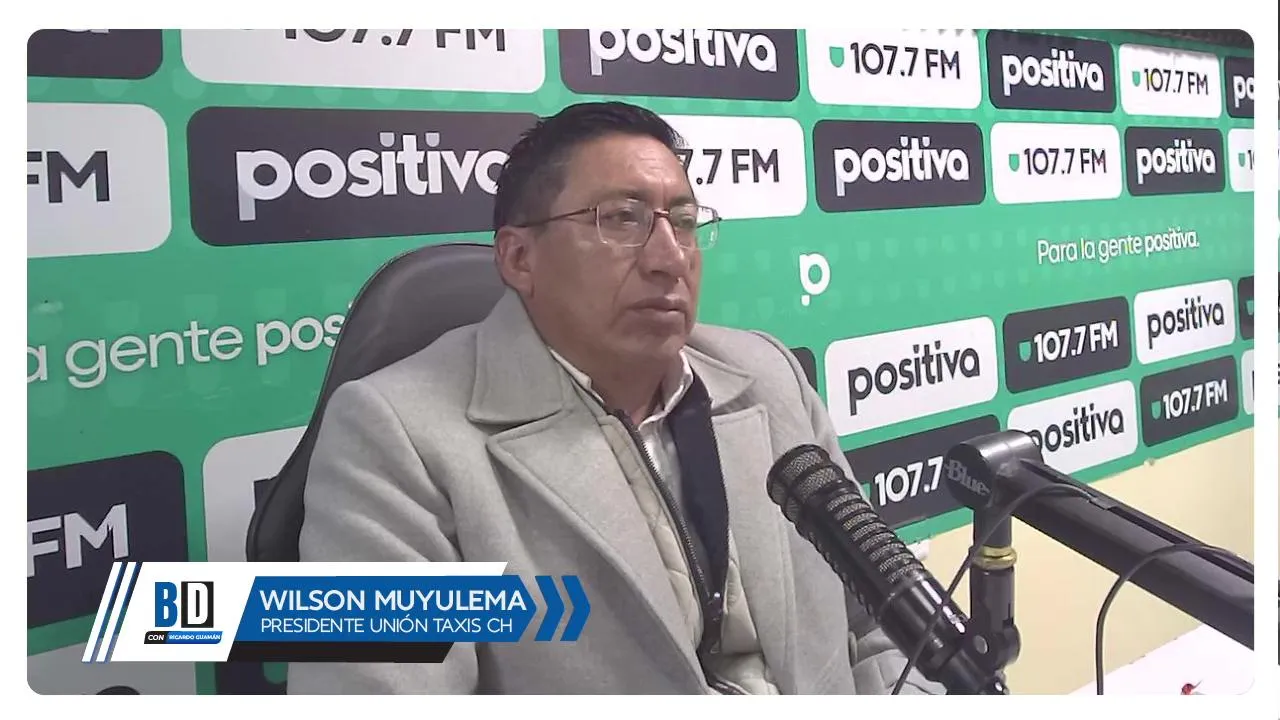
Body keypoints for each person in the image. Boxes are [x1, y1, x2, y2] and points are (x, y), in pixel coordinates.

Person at [287, 101, 944, 695]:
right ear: (519, 259)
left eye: (683, 222)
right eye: (621, 219)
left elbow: (884, 626)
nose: (669, 258)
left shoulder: (769, 377)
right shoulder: (393, 436)